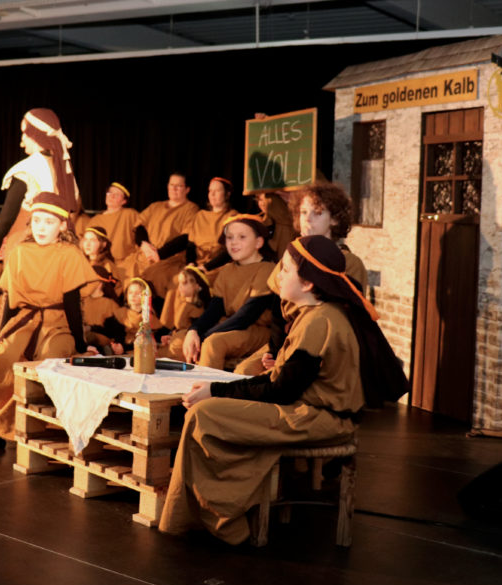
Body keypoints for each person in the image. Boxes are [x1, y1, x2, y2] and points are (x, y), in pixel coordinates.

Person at [158, 235, 407, 545]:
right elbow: (281, 380)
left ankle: (223, 520)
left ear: (308, 283)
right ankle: (212, 511)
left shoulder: (321, 321)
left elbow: (281, 391)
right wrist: (217, 388)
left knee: (205, 415)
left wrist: (216, 392)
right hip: (302, 408)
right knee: (208, 410)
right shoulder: (312, 315)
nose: (278, 276)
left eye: (286, 270)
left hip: (320, 418)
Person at [0, 192, 98, 449]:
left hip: (57, 323)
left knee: (50, 357)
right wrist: (0, 334)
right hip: (25, 320)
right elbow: (10, 301)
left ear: (62, 226)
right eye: (37, 221)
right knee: (2, 356)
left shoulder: (69, 253)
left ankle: (44, 428)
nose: (41, 227)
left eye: (49, 222)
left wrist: (80, 343)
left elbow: (72, 304)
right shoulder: (20, 252)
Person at [234, 182, 367, 375]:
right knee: (243, 371)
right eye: (304, 212)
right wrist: (274, 351)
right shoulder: (292, 254)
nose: (307, 219)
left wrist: (287, 359)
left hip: (321, 350)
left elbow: (344, 321)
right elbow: (278, 308)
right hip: (286, 341)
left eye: (317, 213)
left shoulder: (349, 263)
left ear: (335, 220)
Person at [182, 214, 276, 369]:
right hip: (228, 325)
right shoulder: (226, 270)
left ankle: (207, 385)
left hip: (255, 329)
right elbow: (214, 310)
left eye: (242, 237)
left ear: (259, 242)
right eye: (230, 237)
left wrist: (204, 337)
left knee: (213, 343)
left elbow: (246, 317)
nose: (234, 242)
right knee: (183, 339)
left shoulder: (267, 269)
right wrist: (194, 330)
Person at [0, 108, 80, 256]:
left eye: (25, 133)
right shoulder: (65, 168)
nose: (22, 140)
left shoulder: (28, 168)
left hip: (27, 240)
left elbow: (8, 215)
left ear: (35, 135)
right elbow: (74, 207)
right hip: (59, 243)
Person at [141, 176, 234, 298]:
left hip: (216, 266)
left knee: (188, 284)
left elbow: (228, 251)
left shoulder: (232, 217)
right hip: (196, 263)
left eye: (217, 191)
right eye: (210, 191)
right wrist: (191, 263)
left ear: (227, 194)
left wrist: (206, 267)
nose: (212, 194)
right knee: (167, 278)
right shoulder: (201, 215)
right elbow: (191, 244)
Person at [123, 173, 199, 298]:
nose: (174, 189)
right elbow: (139, 226)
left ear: (187, 189)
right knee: (122, 271)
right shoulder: (155, 206)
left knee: (156, 277)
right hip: (144, 255)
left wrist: (159, 254)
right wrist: (144, 244)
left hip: (168, 259)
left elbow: (186, 237)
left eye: (178, 186)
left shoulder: (191, 209)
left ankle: (150, 308)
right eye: (171, 185)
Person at [159, 266, 210, 360]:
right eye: (179, 283)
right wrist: (171, 335)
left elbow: (191, 329)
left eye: (184, 283)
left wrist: (177, 337)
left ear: (197, 286)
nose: (180, 286)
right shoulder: (183, 304)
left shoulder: (197, 309)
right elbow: (179, 327)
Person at [86, 182, 140, 267]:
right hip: (102, 263)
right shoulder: (95, 220)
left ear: (124, 201)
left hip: (127, 263)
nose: (112, 196)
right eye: (110, 193)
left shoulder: (130, 214)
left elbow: (143, 232)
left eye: (117, 194)